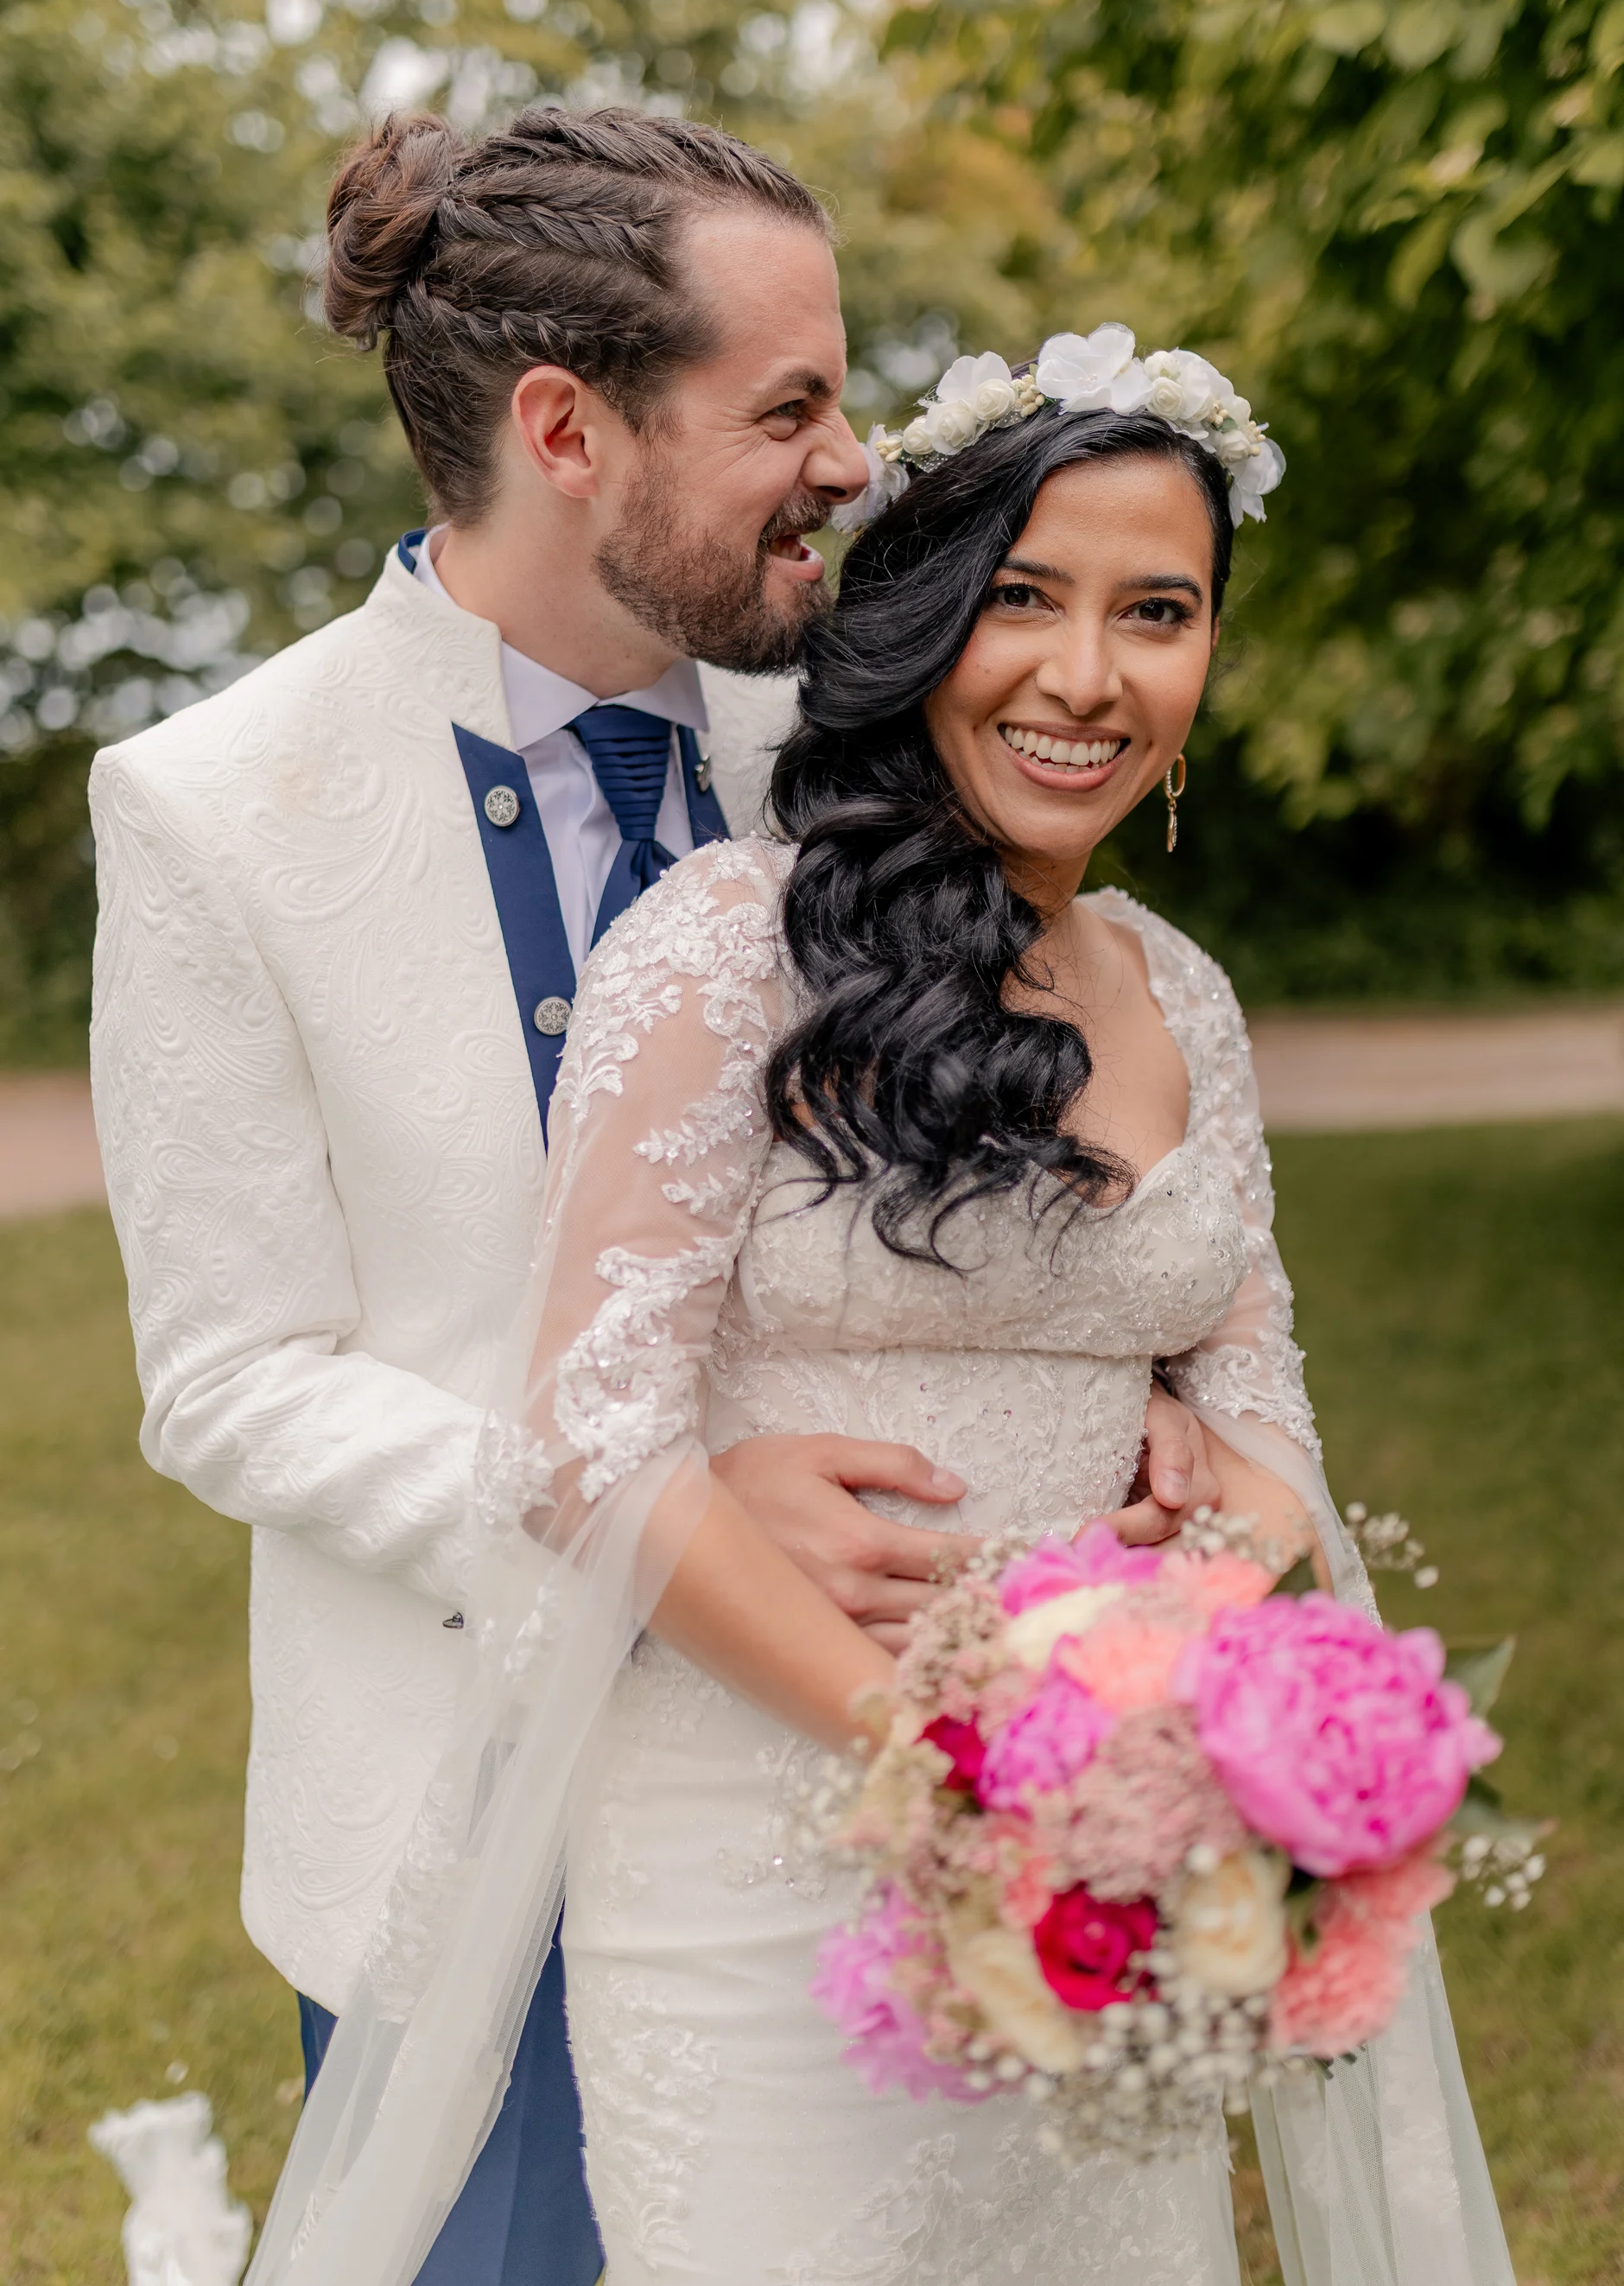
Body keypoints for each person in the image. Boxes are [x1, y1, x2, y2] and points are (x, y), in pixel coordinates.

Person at [244, 340, 1515, 2285]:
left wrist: (1173, 1662)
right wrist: (959, 1777)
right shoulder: (726, 953)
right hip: (766, 1851)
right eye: (1023, 597)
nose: (1086, 676)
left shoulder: (1182, 997)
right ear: (918, 618)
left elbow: (1263, 1419)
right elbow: (594, 1438)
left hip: (1109, 1858)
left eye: (1156, 614)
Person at [87, 107, 1209, 2286]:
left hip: (843, 1795)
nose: (853, 459)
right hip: (456, 1798)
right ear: (564, 427)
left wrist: (1139, 1388)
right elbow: (229, 1378)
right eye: (785, 404)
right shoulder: (215, 806)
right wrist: (636, 1501)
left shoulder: (863, 756)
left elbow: (1049, 1107)